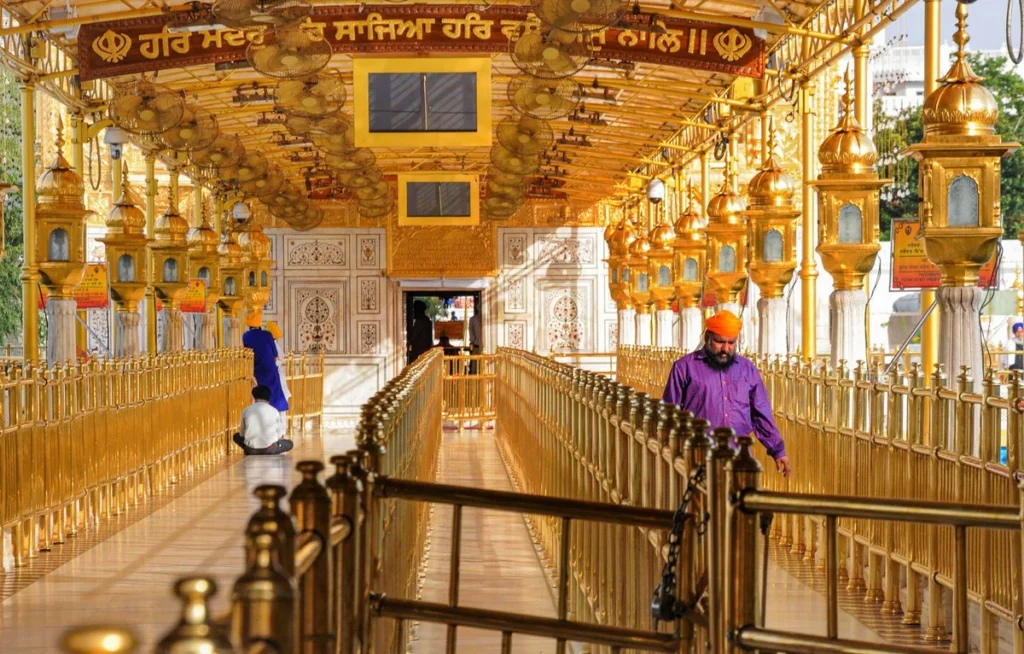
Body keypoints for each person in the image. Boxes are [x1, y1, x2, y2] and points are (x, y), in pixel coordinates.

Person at [661, 310, 792, 477]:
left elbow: (761, 413)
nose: (725, 349)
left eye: (731, 343)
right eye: (720, 342)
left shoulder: (747, 369)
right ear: (707, 337)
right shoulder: (685, 367)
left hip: (738, 459)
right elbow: (669, 414)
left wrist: (778, 450)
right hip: (697, 458)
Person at [241, 311, 289, 416]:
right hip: (270, 371)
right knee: (274, 398)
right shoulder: (267, 335)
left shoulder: (246, 336)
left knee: (259, 398)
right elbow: (275, 356)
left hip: (256, 371)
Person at [233, 385, 293, 455]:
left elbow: (241, 434)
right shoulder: (274, 411)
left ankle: (249, 448)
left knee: (236, 436)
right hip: (270, 448)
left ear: (254, 397)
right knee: (289, 443)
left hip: (251, 450)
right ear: (269, 397)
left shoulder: (246, 410)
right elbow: (279, 435)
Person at [266, 321, 292, 427]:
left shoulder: (272, 344)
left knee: (279, 407)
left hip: (277, 379)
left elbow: (277, 358)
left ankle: (280, 430)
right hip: (277, 379)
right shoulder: (272, 343)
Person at [408, 299, 434, 364]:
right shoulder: (427, 321)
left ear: (418, 310)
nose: (413, 311)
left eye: (414, 309)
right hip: (425, 352)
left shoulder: (420, 321)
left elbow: (412, 338)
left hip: (419, 354)